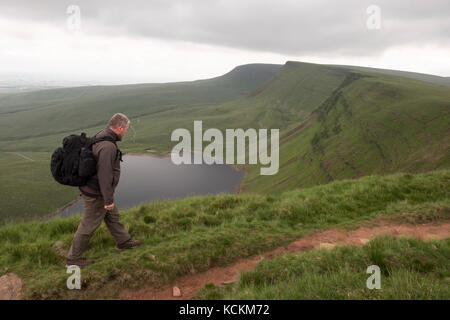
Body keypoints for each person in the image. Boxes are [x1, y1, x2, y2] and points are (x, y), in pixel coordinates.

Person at [66, 113, 141, 268]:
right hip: (96, 193)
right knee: (88, 225)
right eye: (126, 129)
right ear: (120, 128)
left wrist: (108, 199)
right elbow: (104, 174)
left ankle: (123, 242)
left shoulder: (102, 135)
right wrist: (107, 199)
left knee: (112, 217)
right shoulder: (108, 146)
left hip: (96, 189)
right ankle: (74, 258)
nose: (126, 132)